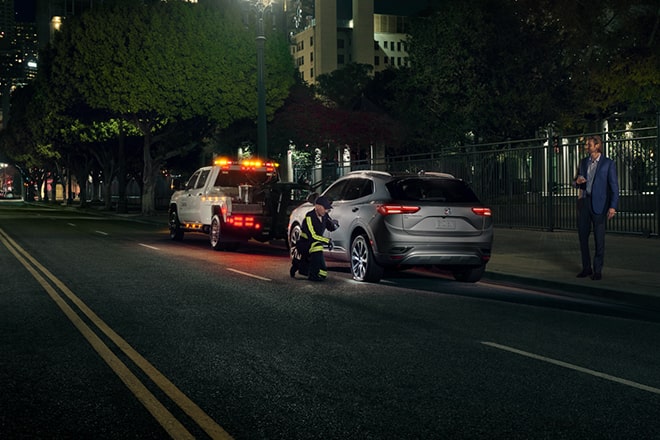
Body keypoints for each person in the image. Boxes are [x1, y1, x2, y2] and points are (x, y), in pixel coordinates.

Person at [573, 135, 619, 280]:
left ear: (597, 146)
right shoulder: (583, 162)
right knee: (582, 237)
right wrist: (577, 181)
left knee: (599, 240)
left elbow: (614, 187)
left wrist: (612, 207)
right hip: (585, 203)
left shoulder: (608, 163)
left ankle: (597, 270)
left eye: (589, 145)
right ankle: (586, 268)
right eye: (587, 145)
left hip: (600, 205)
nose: (587, 147)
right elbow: (575, 183)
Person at [290, 195, 339, 281]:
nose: (327, 210)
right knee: (317, 246)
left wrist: (334, 225)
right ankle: (312, 275)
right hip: (305, 244)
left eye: (328, 209)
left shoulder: (325, 216)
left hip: (314, 243)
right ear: (317, 207)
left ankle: (301, 264)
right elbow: (312, 236)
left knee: (323, 273)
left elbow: (330, 227)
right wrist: (327, 241)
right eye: (325, 208)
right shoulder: (309, 217)